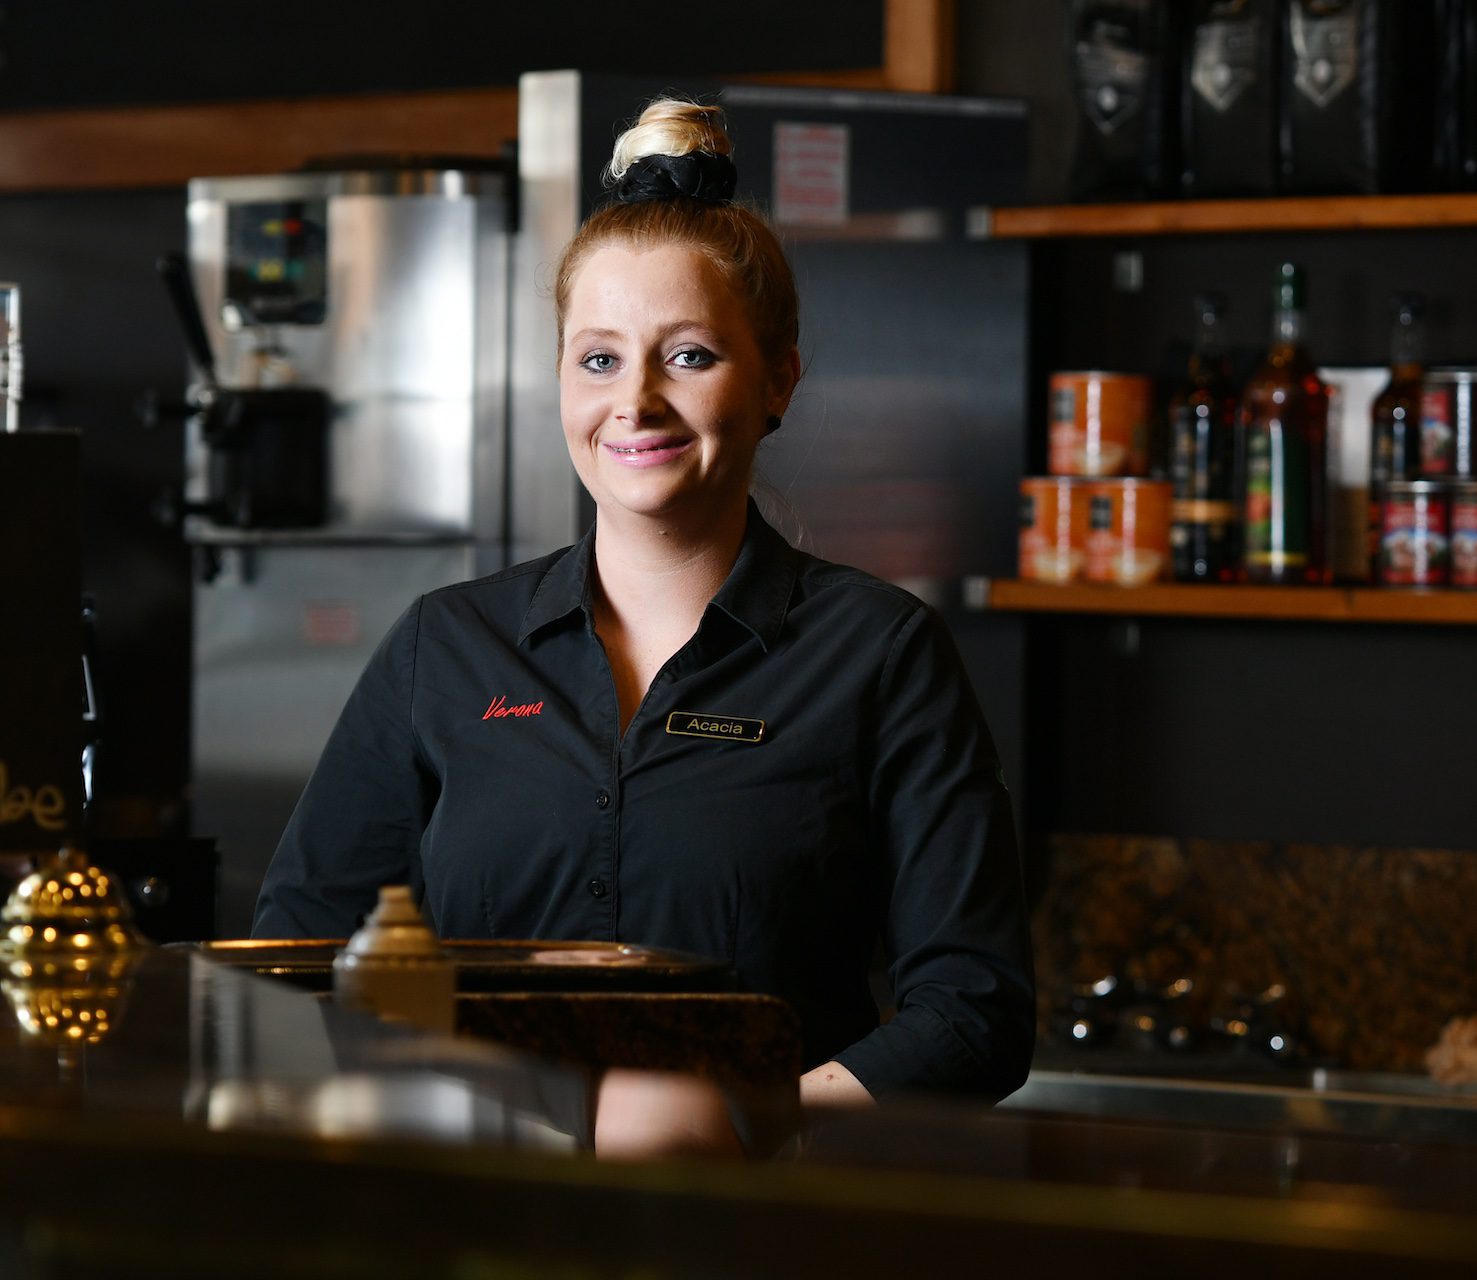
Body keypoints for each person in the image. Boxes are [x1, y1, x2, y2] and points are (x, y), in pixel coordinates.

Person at [253, 97, 1035, 1108]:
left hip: (753, 1228)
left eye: (690, 355)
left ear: (777, 382)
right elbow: (295, 959)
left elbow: (976, 1011)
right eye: (600, 358)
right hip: (483, 1221)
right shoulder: (446, 646)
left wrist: (753, 1117)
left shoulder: (882, 654)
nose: (636, 402)